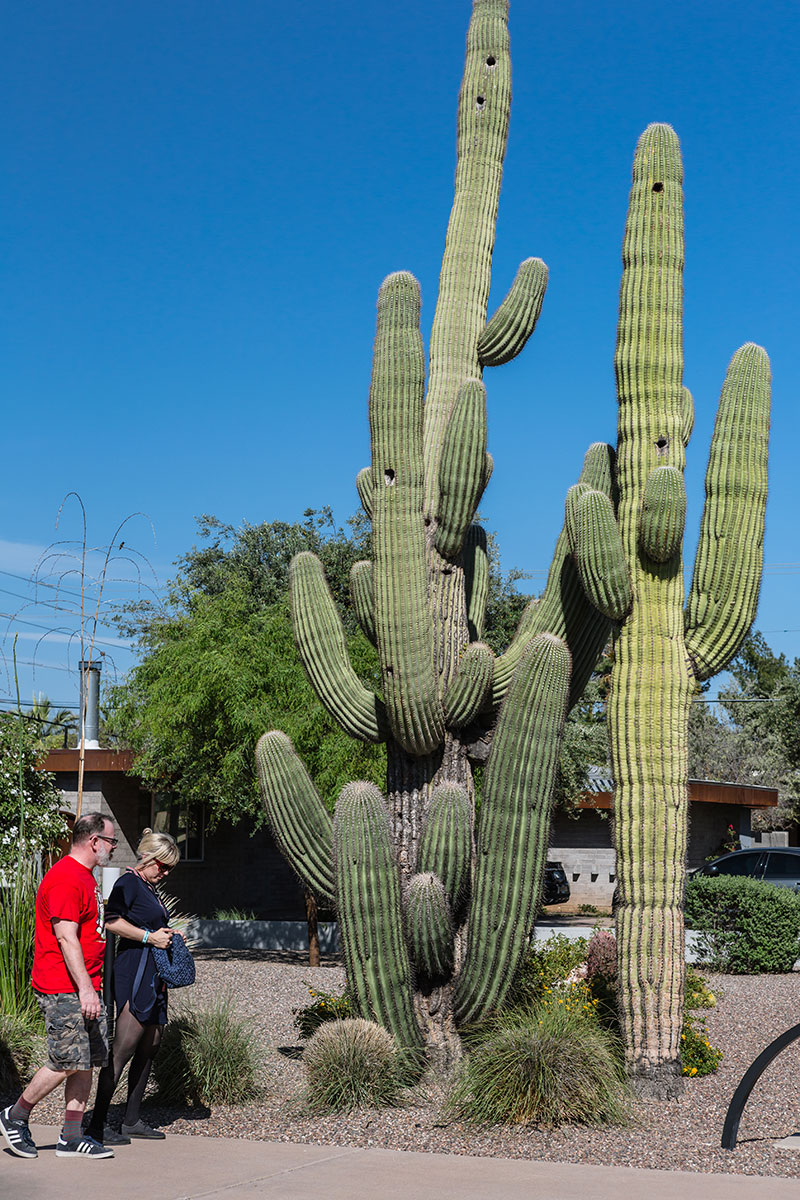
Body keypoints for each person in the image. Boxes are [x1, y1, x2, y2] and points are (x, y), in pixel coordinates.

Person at [0, 811, 118, 1160]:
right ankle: (15, 1114)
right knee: (66, 1059)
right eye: (111, 841)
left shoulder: (85, 877)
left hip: (85, 985)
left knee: (85, 1061)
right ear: (94, 841)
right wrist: (84, 989)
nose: (113, 848)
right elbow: (67, 939)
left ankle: (70, 1136)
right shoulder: (67, 877)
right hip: (63, 986)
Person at [85, 829, 179, 1145]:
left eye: (170, 869)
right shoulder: (128, 882)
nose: (165, 873)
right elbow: (111, 921)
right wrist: (148, 937)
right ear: (148, 858)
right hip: (134, 973)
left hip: (153, 976)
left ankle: (132, 1119)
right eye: (162, 866)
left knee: (150, 1044)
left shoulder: (148, 887)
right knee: (122, 1050)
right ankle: (95, 1125)